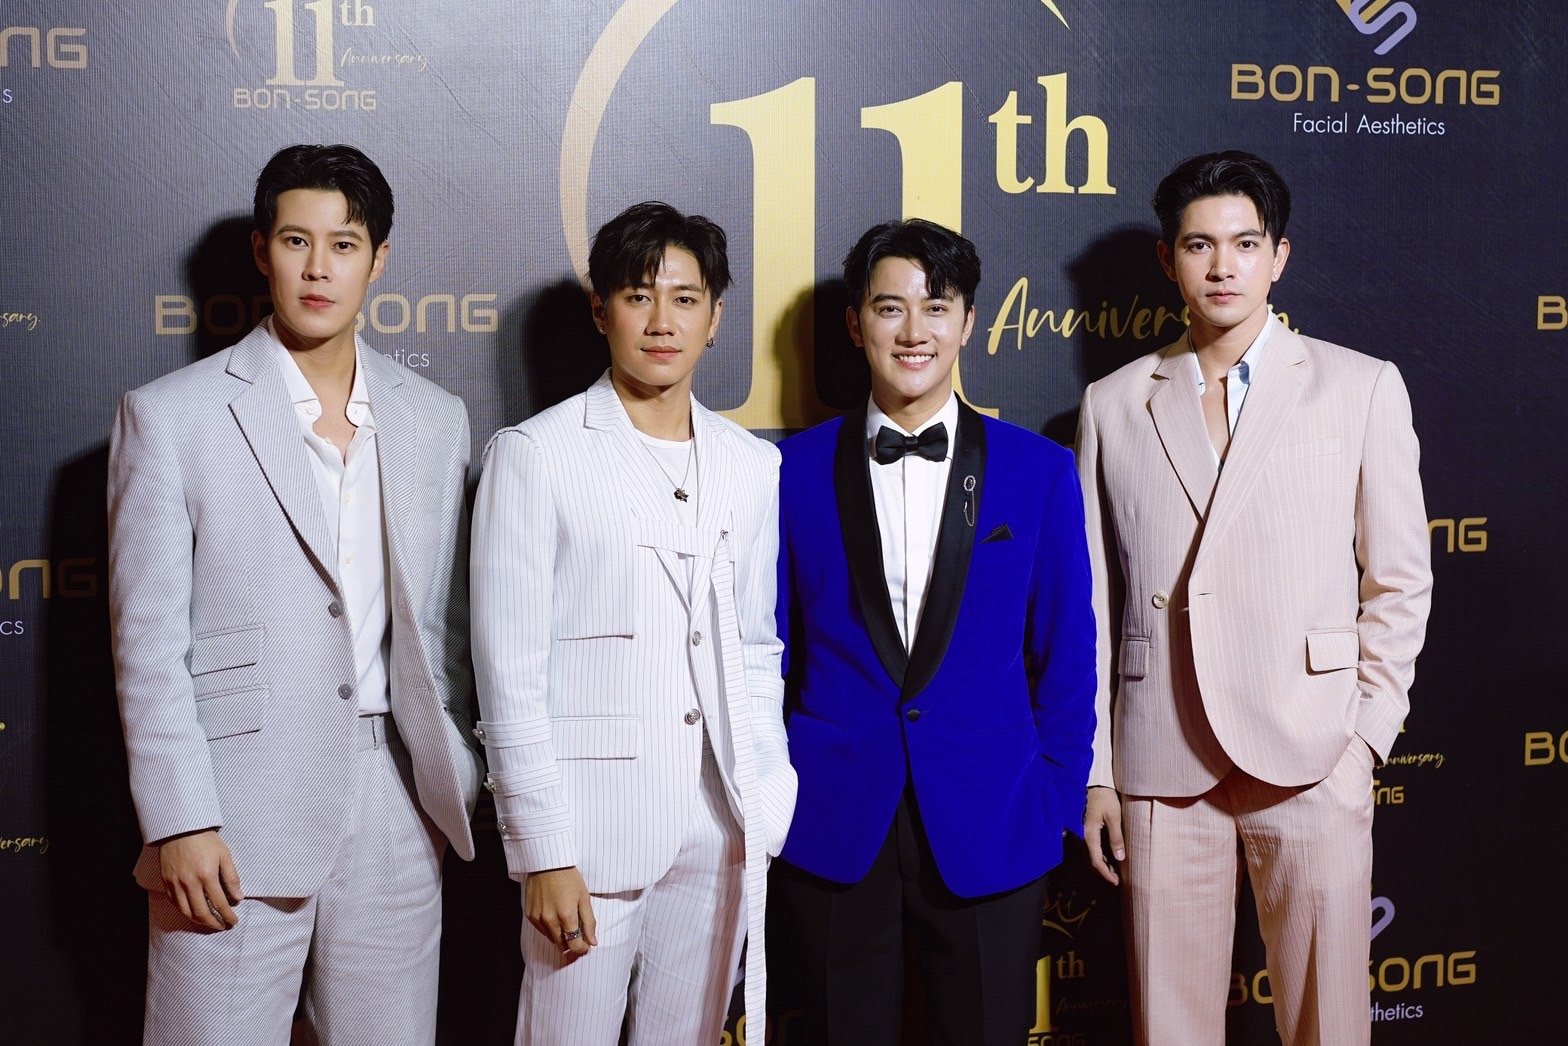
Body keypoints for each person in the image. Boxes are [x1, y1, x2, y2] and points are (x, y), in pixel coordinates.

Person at [108, 143, 482, 1044]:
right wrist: (180, 820)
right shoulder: (171, 416)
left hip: (397, 802)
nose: (319, 269)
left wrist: (454, 784)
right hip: (233, 806)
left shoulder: (435, 418)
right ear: (261, 250)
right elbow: (147, 648)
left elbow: (446, 630)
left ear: (378, 260)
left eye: (344, 245)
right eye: (295, 241)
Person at [1076, 150, 1433, 1044]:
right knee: (1170, 1027)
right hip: (1163, 758)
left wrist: (1364, 736)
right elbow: (1092, 605)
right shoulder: (1113, 404)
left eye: (1244, 243)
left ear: (1279, 256)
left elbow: (1399, 578)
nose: (1223, 266)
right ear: (1169, 261)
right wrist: (1100, 770)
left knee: (1327, 1024)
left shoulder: (1359, 386)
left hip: (1311, 749)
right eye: (1200, 245)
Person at [470, 201, 796, 1045]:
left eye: (685, 299)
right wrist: (543, 849)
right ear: (600, 310)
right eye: (638, 296)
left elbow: (755, 648)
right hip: (590, 836)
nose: (662, 321)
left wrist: (768, 796)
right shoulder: (536, 454)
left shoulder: (752, 465)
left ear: (715, 318)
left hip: (722, 831)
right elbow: (507, 675)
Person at [771, 218, 1097, 1043]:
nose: (914, 331)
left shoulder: (1038, 470)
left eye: (937, 307)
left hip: (996, 820)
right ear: (856, 324)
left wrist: (1054, 801)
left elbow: (1065, 653)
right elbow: (766, 652)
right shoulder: (787, 472)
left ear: (969, 323)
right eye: (890, 308)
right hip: (831, 821)